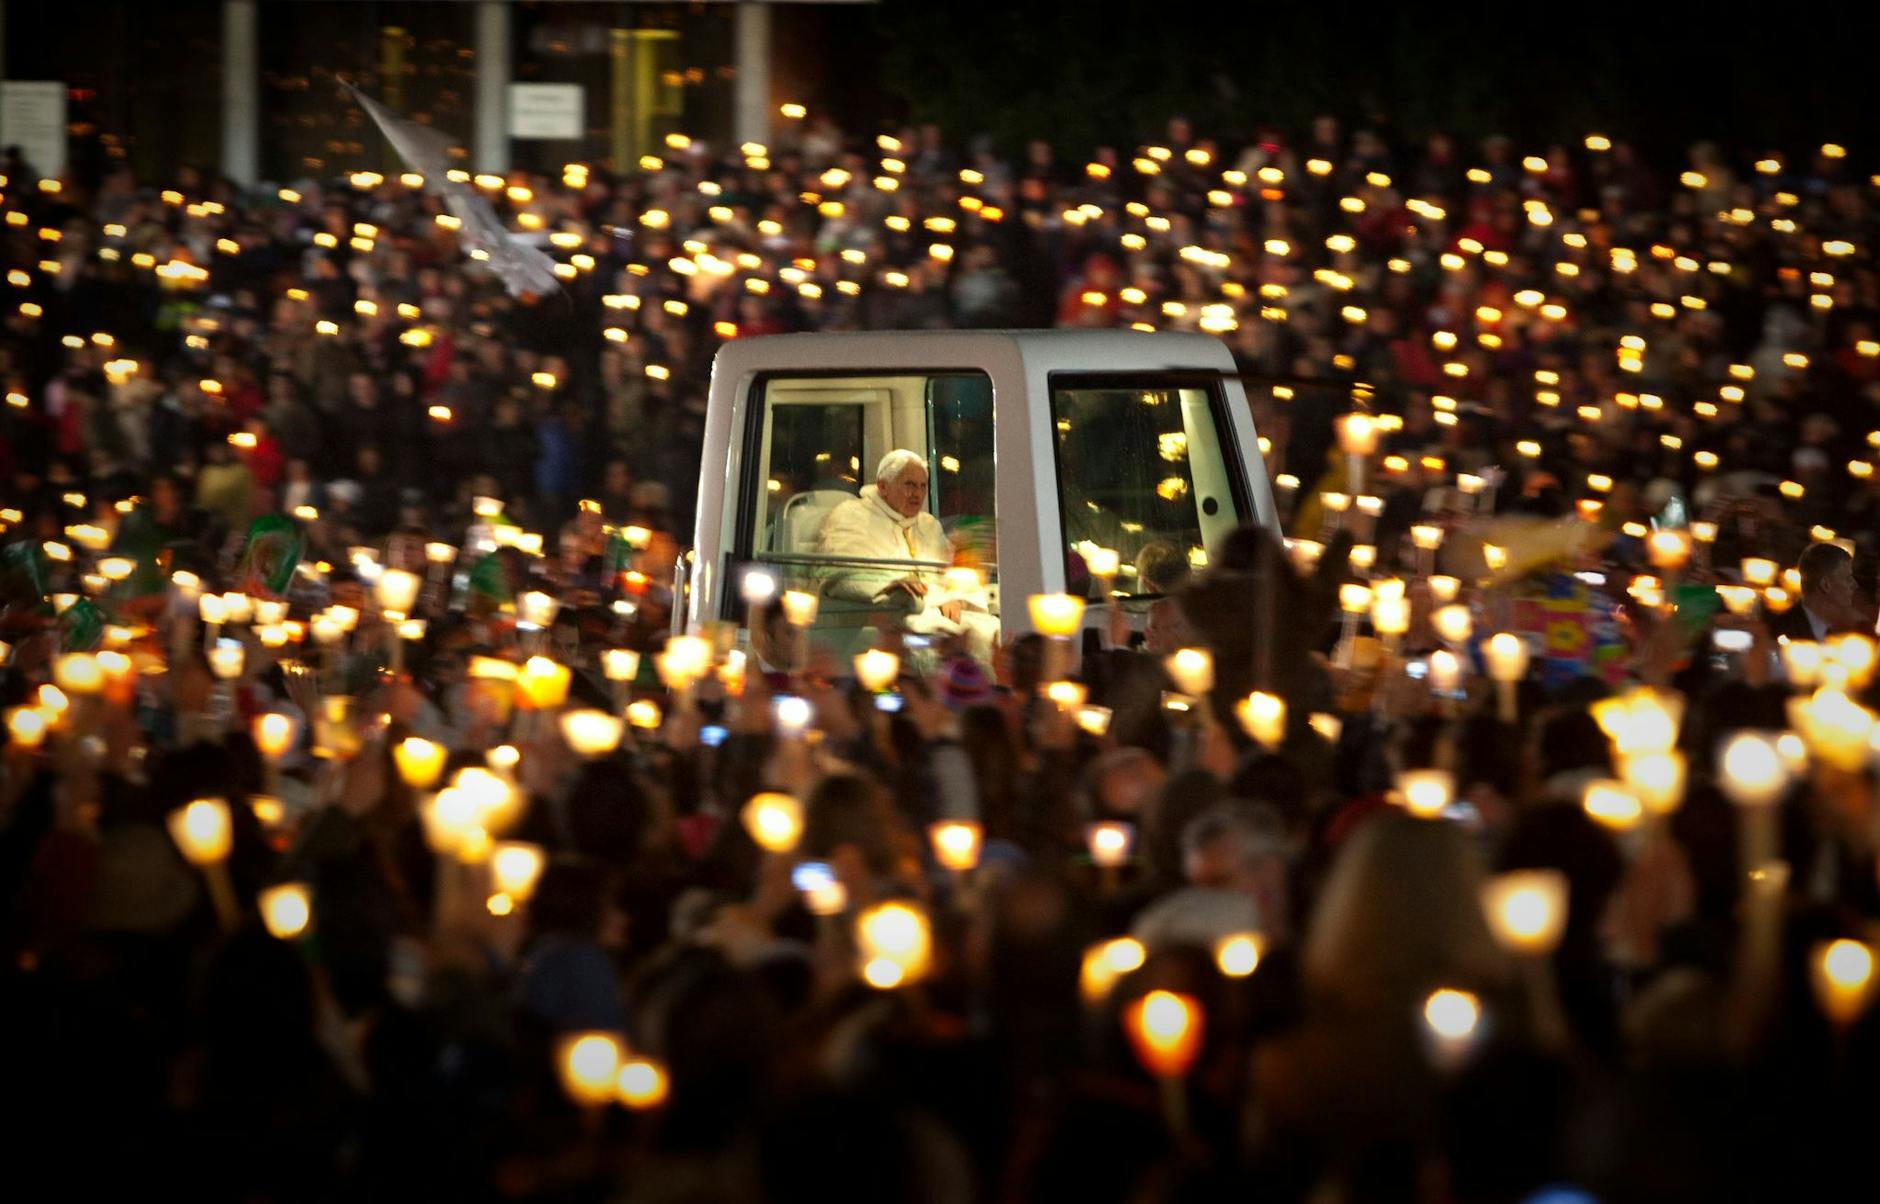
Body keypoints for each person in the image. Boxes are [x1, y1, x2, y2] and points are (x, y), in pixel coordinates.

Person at [815, 449, 999, 659]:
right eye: (909, 485)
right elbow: (842, 575)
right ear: (883, 486)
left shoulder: (927, 524)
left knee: (992, 631)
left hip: (938, 611)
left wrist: (954, 597)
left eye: (922, 486)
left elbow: (950, 574)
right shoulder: (852, 515)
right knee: (933, 640)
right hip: (890, 616)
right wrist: (891, 588)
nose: (918, 494)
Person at [1769, 541, 1863, 643]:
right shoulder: (1783, 632)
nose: (1854, 585)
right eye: (1848, 578)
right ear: (1825, 585)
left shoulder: (1841, 632)